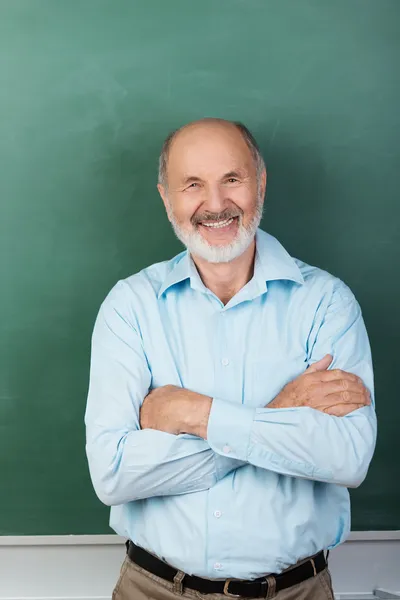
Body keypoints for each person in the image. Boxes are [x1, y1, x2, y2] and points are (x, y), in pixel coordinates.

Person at [85, 118, 377, 600]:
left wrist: (197, 415)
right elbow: (114, 473)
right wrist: (280, 414)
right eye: (193, 184)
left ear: (260, 185)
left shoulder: (326, 303)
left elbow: (346, 457)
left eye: (232, 180)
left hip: (296, 592)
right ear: (167, 198)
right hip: (152, 589)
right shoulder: (130, 306)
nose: (216, 204)